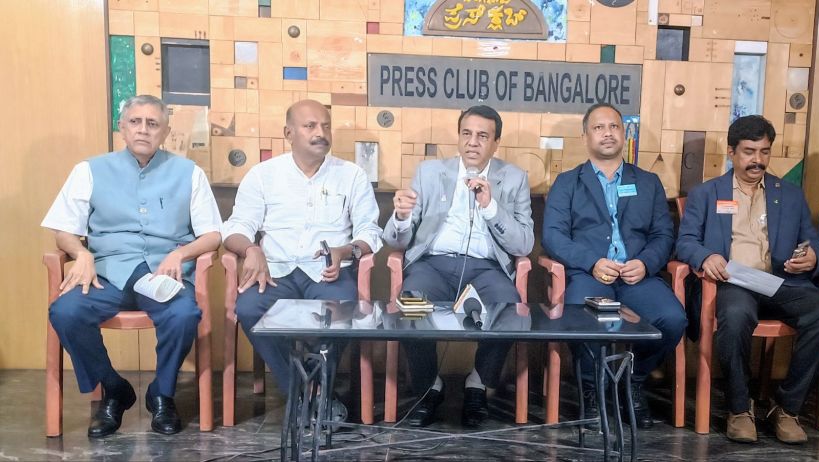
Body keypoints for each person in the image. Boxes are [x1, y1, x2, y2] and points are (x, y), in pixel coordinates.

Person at [43, 95, 223, 437]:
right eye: (135, 122)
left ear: (165, 132)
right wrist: (81, 254)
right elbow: (64, 229)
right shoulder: (89, 170)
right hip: (107, 275)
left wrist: (180, 254)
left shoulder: (189, 173)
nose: (143, 129)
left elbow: (213, 234)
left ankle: (162, 394)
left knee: (184, 314)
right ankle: (114, 389)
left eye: (153, 124)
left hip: (163, 275)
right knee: (66, 312)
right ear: (121, 128)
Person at [676, 115, 819, 443]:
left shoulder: (789, 194)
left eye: (764, 152)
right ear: (732, 152)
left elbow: (812, 240)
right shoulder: (707, 193)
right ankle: (739, 408)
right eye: (749, 152)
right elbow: (685, 241)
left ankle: (787, 407)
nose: (758, 160)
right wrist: (706, 257)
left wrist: (812, 258)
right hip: (733, 281)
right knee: (736, 314)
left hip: (781, 282)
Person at [382, 105, 534, 428]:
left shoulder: (514, 178)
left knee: (512, 311)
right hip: (433, 265)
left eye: (482, 136)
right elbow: (395, 239)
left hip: (487, 268)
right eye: (467, 133)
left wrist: (491, 207)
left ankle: (477, 383)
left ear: (496, 142)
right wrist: (401, 217)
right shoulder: (429, 173)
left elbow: (524, 245)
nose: (472, 142)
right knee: (409, 305)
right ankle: (430, 386)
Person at [222, 100, 382, 396]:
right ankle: (302, 391)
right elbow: (236, 227)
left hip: (327, 274)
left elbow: (369, 231)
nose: (320, 133)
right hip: (274, 272)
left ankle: (315, 389)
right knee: (249, 308)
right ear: (289, 133)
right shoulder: (263, 175)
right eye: (310, 126)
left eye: (326, 126)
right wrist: (251, 250)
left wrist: (345, 251)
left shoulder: (351, 175)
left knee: (344, 309)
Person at [542, 103, 686, 429]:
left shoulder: (647, 182)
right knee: (582, 316)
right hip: (589, 275)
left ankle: (633, 380)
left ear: (624, 134)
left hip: (638, 278)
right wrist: (591, 262)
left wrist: (645, 263)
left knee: (673, 319)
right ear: (585, 137)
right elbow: (553, 236)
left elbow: (663, 234)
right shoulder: (568, 183)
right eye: (598, 127)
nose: (607, 133)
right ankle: (592, 389)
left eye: (614, 127)